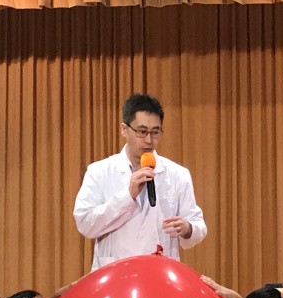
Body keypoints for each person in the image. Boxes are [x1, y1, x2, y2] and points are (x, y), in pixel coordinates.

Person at [73, 93, 207, 271]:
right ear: (124, 129)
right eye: (142, 132)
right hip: (114, 273)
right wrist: (127, 196)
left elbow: (198, 226)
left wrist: (188, 228)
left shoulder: (178, 175)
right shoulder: (99, 171)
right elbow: (85, 224)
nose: (149, 140)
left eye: (155, 132)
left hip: (160, 273)